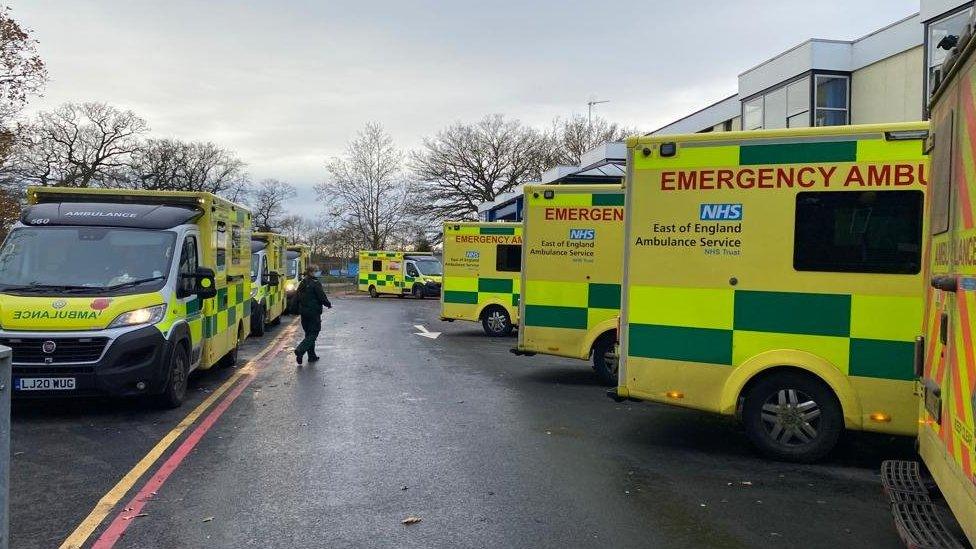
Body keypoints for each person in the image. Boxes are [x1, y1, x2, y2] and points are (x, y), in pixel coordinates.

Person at [293, 264, 332, 364]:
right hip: (313, 312)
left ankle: (311, 356)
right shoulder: (315, 283)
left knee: (308, 333)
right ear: (312, 272)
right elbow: (321, 296)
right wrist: (328, 304)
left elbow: (297, 297)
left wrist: (295, 309)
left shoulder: (303, 282)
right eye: (316, 270)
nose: (318, 272)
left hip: (304, 313)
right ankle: (300, 350)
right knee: (314, 333)